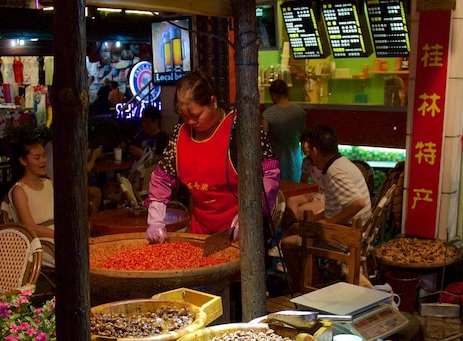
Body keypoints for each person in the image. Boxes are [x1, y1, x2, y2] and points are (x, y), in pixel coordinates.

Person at [144, 70, 280, 242]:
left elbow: (269, 173)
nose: (190, 122)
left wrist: (252, 216)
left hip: (241, 233)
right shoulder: (180, 134)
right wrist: (155, 221)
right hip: (200, 235)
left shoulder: (241, 128)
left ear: (213, 102)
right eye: (184, 116)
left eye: (195, 115)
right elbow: (162, 179)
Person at [279, 125, 372, 290]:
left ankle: (307, 286)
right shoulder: (342, 163)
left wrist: (330, 222)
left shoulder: (335, 172)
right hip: (355, 230)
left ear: (315, 150)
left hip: (348, 235)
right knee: (296, 227)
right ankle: (313, 281)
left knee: (287, 243)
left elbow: (358, 203)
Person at [4, 137, 55, 268]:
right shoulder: (20, 190)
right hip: (40, 241)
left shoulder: (49, 183)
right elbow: (30, 227)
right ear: (23, 161)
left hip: (57, 234)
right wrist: (58, 235)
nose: (43, 160)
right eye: (37, 158)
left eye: (44, 156)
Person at [261, 79, 306, 182]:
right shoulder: (300, 112)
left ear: (273, 94)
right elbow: (303, 134)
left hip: (276, 158)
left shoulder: (268, 114)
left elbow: (264, 140)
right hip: (295, 156)